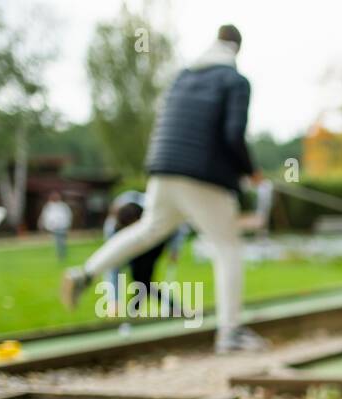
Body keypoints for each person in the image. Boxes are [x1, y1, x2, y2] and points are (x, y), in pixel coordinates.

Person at [59, 24, 267, 353]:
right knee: (227, 249)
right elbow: (232, 134)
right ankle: (231, 333)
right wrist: (250, 171)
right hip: (202, 177)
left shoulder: (183, 76)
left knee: (147, 230)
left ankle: (85, 273)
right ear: (237, 49)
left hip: (162, 172)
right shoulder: (235, 81)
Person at [38, 192, 73, 260]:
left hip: (62, 226)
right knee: (57, 241)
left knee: (62, 241)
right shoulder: (49, 206)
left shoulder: (63, 206)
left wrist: (68, 224)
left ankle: (62, 254)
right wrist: (43, 224)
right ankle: (60, 255)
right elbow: (45, 216)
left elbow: (68, 215)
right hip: (54, 227)